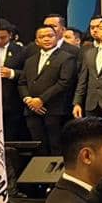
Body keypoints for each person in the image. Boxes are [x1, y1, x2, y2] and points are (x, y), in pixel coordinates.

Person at [18, 24, 79, 154]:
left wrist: (41, 100)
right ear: (36, 41)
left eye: (50, 36)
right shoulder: (30, 60)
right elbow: (22, 83)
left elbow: (64, 82)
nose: (46, 39)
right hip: (32, 110)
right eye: (42, 37)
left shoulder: (66, 57)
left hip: (54, 109)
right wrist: (28, 100)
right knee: (38, 146)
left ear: (57, 37)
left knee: (56, 145)